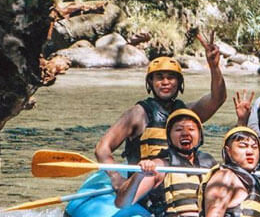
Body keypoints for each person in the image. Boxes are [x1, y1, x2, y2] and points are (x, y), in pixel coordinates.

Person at [96, 32, 225, 190]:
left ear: (179, 83)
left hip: (179, 186)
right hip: (148, 187)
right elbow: (102, 148)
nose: (165, 82)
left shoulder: (187, 112)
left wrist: (214, 66)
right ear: (151, 82)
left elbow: (217, 99)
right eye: (159, 77)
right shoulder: (137, 114)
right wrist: (116, 177)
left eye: (171, 77)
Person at [114, 109, 216, 217]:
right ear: (169, 137)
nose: (185, 133)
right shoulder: (161, 166)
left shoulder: (210, 165)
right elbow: (122, 203)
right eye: (178, 129)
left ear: (200, 136)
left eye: (191, 129)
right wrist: (139, 175)